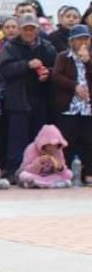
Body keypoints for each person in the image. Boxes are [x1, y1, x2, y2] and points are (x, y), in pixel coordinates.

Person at [0, 14, 57, 174]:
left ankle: (39, 169)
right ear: (20, 30)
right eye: (26, 29)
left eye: (32, 29)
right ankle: (15, 171)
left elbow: (56, 69)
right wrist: (26, 65)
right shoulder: (10, 47)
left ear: (37, 30)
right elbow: (4, 70)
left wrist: (48, 73)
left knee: (39, 138)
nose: (29, 32)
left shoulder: (47, 47)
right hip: (18, 99)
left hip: (41, 99)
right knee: (17, 139)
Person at [51, 25, 92, 186]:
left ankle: (88, 173)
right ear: (71, 41)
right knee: (68, 140)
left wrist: (88, 62)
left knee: (88, 140)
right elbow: (56, 76)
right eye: (79, 39)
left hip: (87, 107)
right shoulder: (63, 57)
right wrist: (74, 85)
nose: (82, 42)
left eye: (85, 39)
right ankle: (66, 172)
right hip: (69, 106)